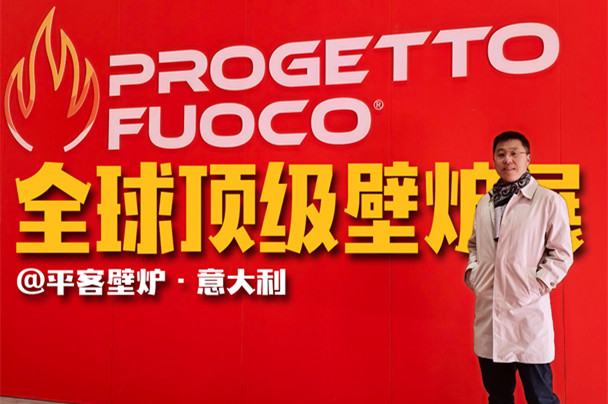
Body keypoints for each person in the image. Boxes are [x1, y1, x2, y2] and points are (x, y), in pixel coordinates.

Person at [465, 131, 573, 404]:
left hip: (528, 313)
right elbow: (474, 245)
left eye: (514, 153)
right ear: (493, 160)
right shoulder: (485, 203)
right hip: (490, 312)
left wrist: (536, 285)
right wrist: (475, 276)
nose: (507, 160)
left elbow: (561, 253)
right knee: (498, 396)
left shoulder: (548, 201)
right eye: (501, 154)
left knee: (540, 397)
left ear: (528, 158)